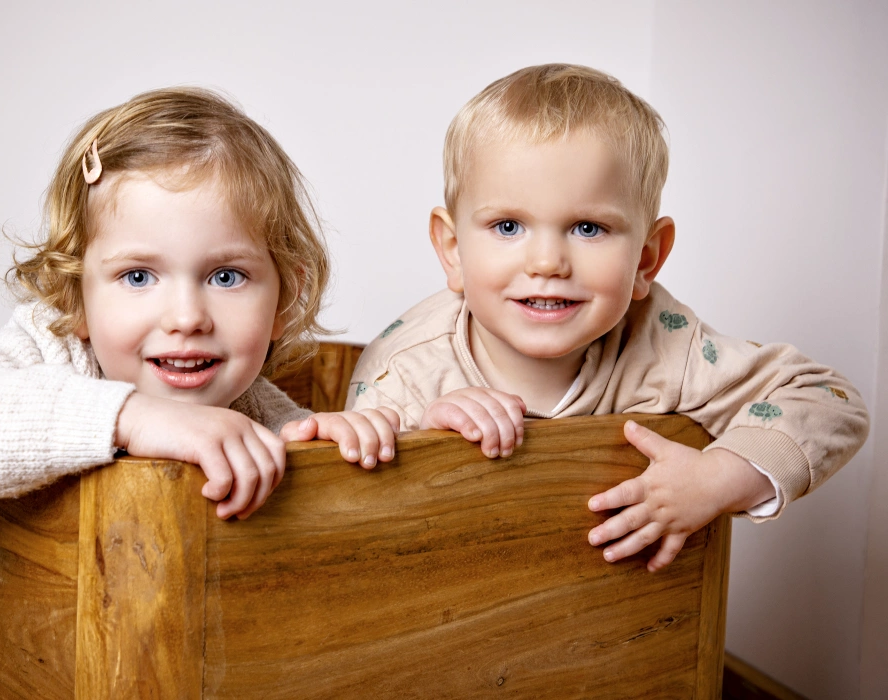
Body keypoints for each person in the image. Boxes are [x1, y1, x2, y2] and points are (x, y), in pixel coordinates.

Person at [346, 64, 868, 571]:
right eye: (508, 226)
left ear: (646, 258)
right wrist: (422, 437)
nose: (546, 262)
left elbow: (829, 400)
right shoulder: (405, 372)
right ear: (453, 250)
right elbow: (342, 523)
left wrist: (716, 478)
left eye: (588, 228)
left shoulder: (665, 345)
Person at [0, 87, 399, 518]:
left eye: (226, 276)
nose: (186, 318)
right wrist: (125, 417)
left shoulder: (258, 407)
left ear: (287, 297)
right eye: (137, 277)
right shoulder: (45, 355)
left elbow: (315, 496)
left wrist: (334, 443)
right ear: (74, 297)